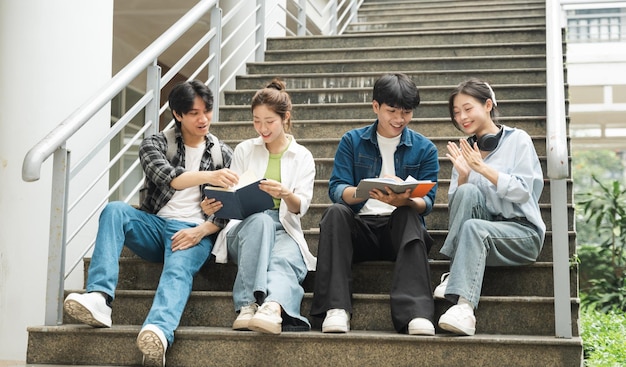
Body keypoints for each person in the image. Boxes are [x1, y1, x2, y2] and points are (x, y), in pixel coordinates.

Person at [63, 80, 236, 366]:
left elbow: (231, 207)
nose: (203, 119)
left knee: (178, 267)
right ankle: (99, 298)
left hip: (194, 232)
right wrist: (210, 177)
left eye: (207, 111)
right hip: (154, 228)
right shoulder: (155, 144)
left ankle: (158, 331)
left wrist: (203, 229)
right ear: (178, 115)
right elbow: (172, 179)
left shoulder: (223, 153)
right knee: (115, 210)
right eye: (194, 113)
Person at [309, 73, 439, 336]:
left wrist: (406, 200)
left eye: (406, 112)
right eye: (392, 111)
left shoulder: (425, 149)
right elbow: (336, 189)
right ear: (375, 106)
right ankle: (336, 309)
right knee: (335, 213)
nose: (399, 119)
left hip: (399, 233)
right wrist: (366, 191)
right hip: (360, 232)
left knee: (407, 214)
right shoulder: (352, 141)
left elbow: (428, 201)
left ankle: (416, 313)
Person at [434, 78, 546, 336]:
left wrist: (482, 168)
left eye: (467, 108)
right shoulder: (466, 150)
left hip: (522, 233)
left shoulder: (519, 140)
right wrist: (463, 176)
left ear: (487, 105)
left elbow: (524, 192)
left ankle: (464, 309)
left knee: (475, 228)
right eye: (456, 112)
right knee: (467, 192)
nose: (462, 117)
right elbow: (459, 209)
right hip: (481, 232)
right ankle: (457, 271)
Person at [207, 79, 316, 335]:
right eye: (257, 121)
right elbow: (229, 194)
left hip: (285, 228)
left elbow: (300, 207)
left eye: (269, 121)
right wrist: (216, 201)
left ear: (285, 118)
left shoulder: (302, 156)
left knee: (283, 261)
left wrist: (285, 193)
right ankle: (247, 304)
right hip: (245, 228)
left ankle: (273, 308)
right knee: (262, 221)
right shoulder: (245, 150)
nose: (262, 128)